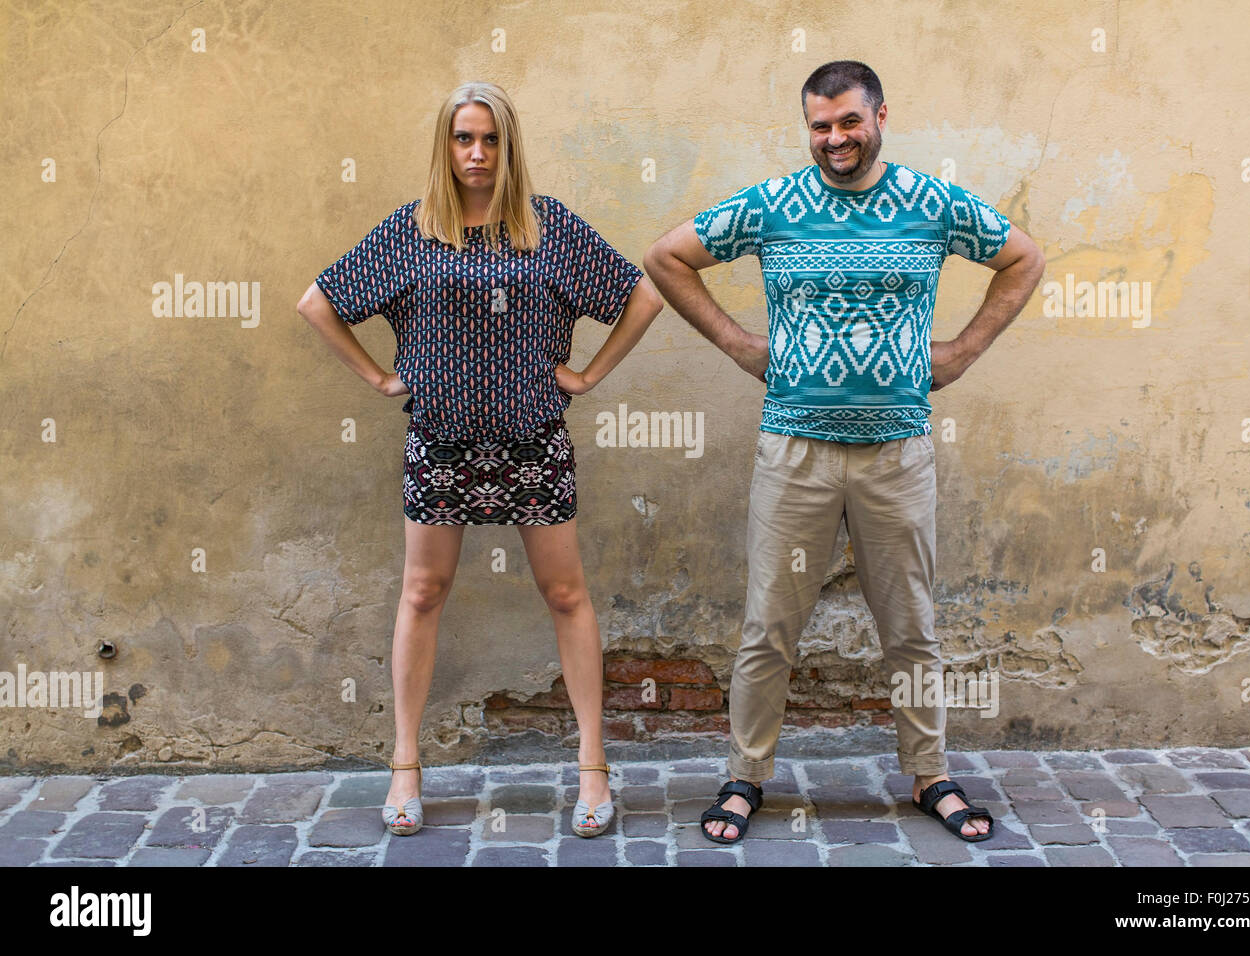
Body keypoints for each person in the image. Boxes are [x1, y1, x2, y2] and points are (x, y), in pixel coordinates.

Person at [643, 60, 1045, 844]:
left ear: (881, 116)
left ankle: (931, 774)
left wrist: (961, 351)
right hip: (794, 448)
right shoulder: (772, 204)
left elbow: (1023, 257)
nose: (835, 139)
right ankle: (744, 776)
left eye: (849, 123)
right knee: (769, 626)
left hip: (897, 448)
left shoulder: (932, 203)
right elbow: (666, 256)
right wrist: (736, 343)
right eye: (821, 126)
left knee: (913, 626)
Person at [297, 80, 663, 838]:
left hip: (533, 440)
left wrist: (589, 376)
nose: (476, 153)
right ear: (446, 144)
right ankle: (405, 763)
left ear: (509, 146)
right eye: (464, 138)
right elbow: (318, 302)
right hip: (440, 440)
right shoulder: (414, 230)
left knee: (566, 595)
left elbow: (642, 297)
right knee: (422, 592)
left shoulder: (544, 227)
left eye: (491, 139)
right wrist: (377, 377)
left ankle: (593, 764)